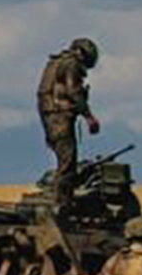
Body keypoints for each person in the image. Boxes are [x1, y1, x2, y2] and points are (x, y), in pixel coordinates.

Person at [37, 38, 102, 183]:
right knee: (68, 165)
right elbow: (74, 91)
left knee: (64, 161)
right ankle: (62, 203)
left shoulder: (55, 63)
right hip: (60, 116)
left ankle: (60, 198)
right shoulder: (71, 64)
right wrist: (89, 117)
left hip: (49, 115)